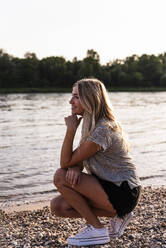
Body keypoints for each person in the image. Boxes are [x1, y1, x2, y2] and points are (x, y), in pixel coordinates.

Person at [50, 78, 141, 246]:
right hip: (109, 187)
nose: (71, 101)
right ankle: (118, 215)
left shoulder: (103, 129)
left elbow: (65, 163)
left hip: (124, 191)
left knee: (60, 176)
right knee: (58, 206)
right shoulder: (92, 126)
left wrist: (70, 130)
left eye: (76, 96)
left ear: (90, 99)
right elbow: (76, 159)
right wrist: (76, 167)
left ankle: (97, 229)